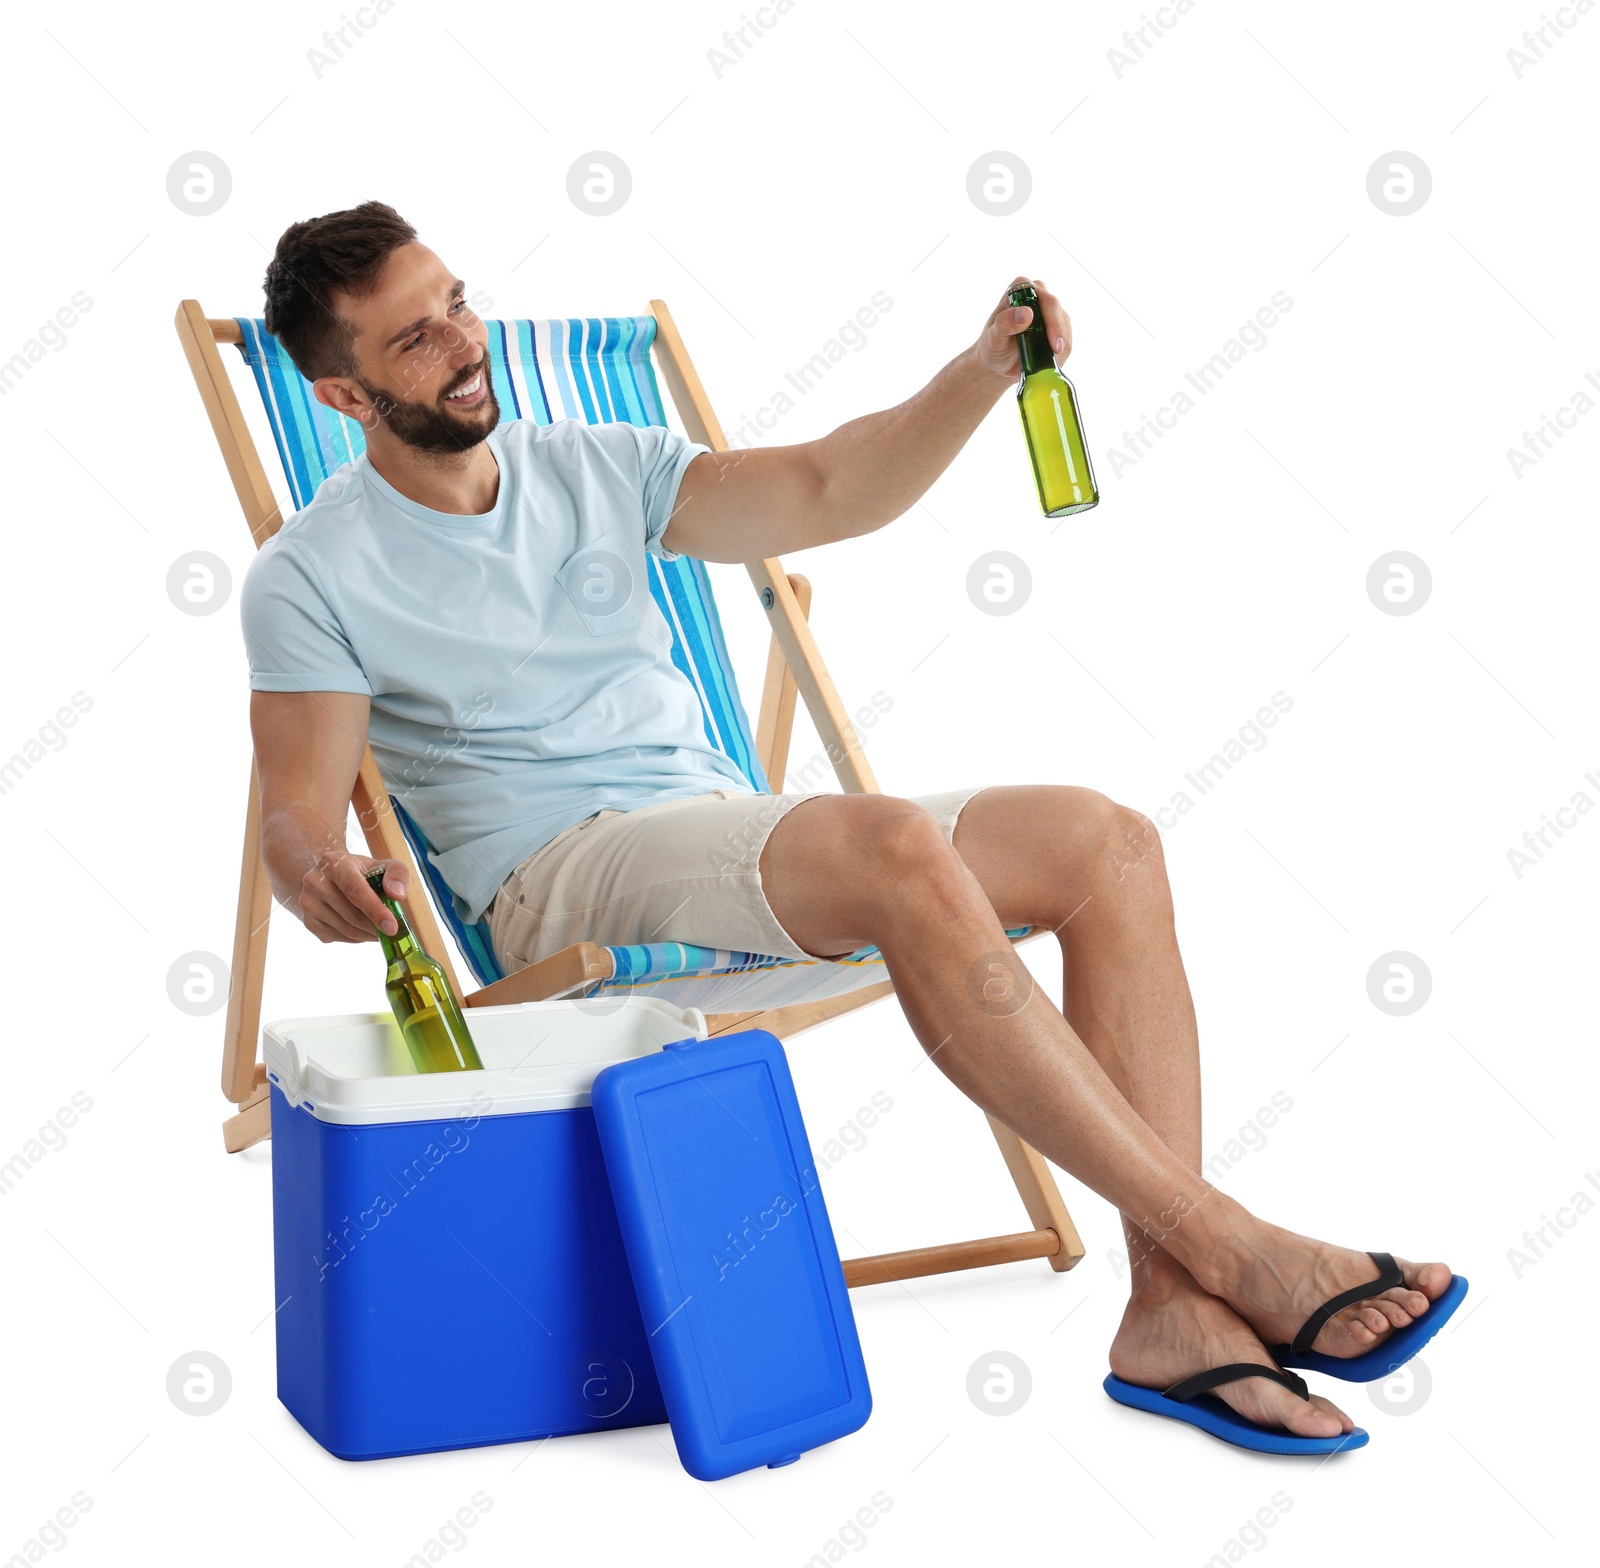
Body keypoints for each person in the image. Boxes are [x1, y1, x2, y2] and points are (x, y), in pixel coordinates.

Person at [241, 202, 1460, 1453]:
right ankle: (1228, 1238)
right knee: (890, 848)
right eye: (412, 340)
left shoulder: (590, 465)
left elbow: (832, 483)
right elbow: (296, 805)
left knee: (1109, 844)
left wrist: (984, 370)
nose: (460, 342)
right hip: (558, 874)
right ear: (343, 395)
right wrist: (315, 872)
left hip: (716, 821)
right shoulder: (315, 572)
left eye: (457, 302)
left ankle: (1170, 1310)